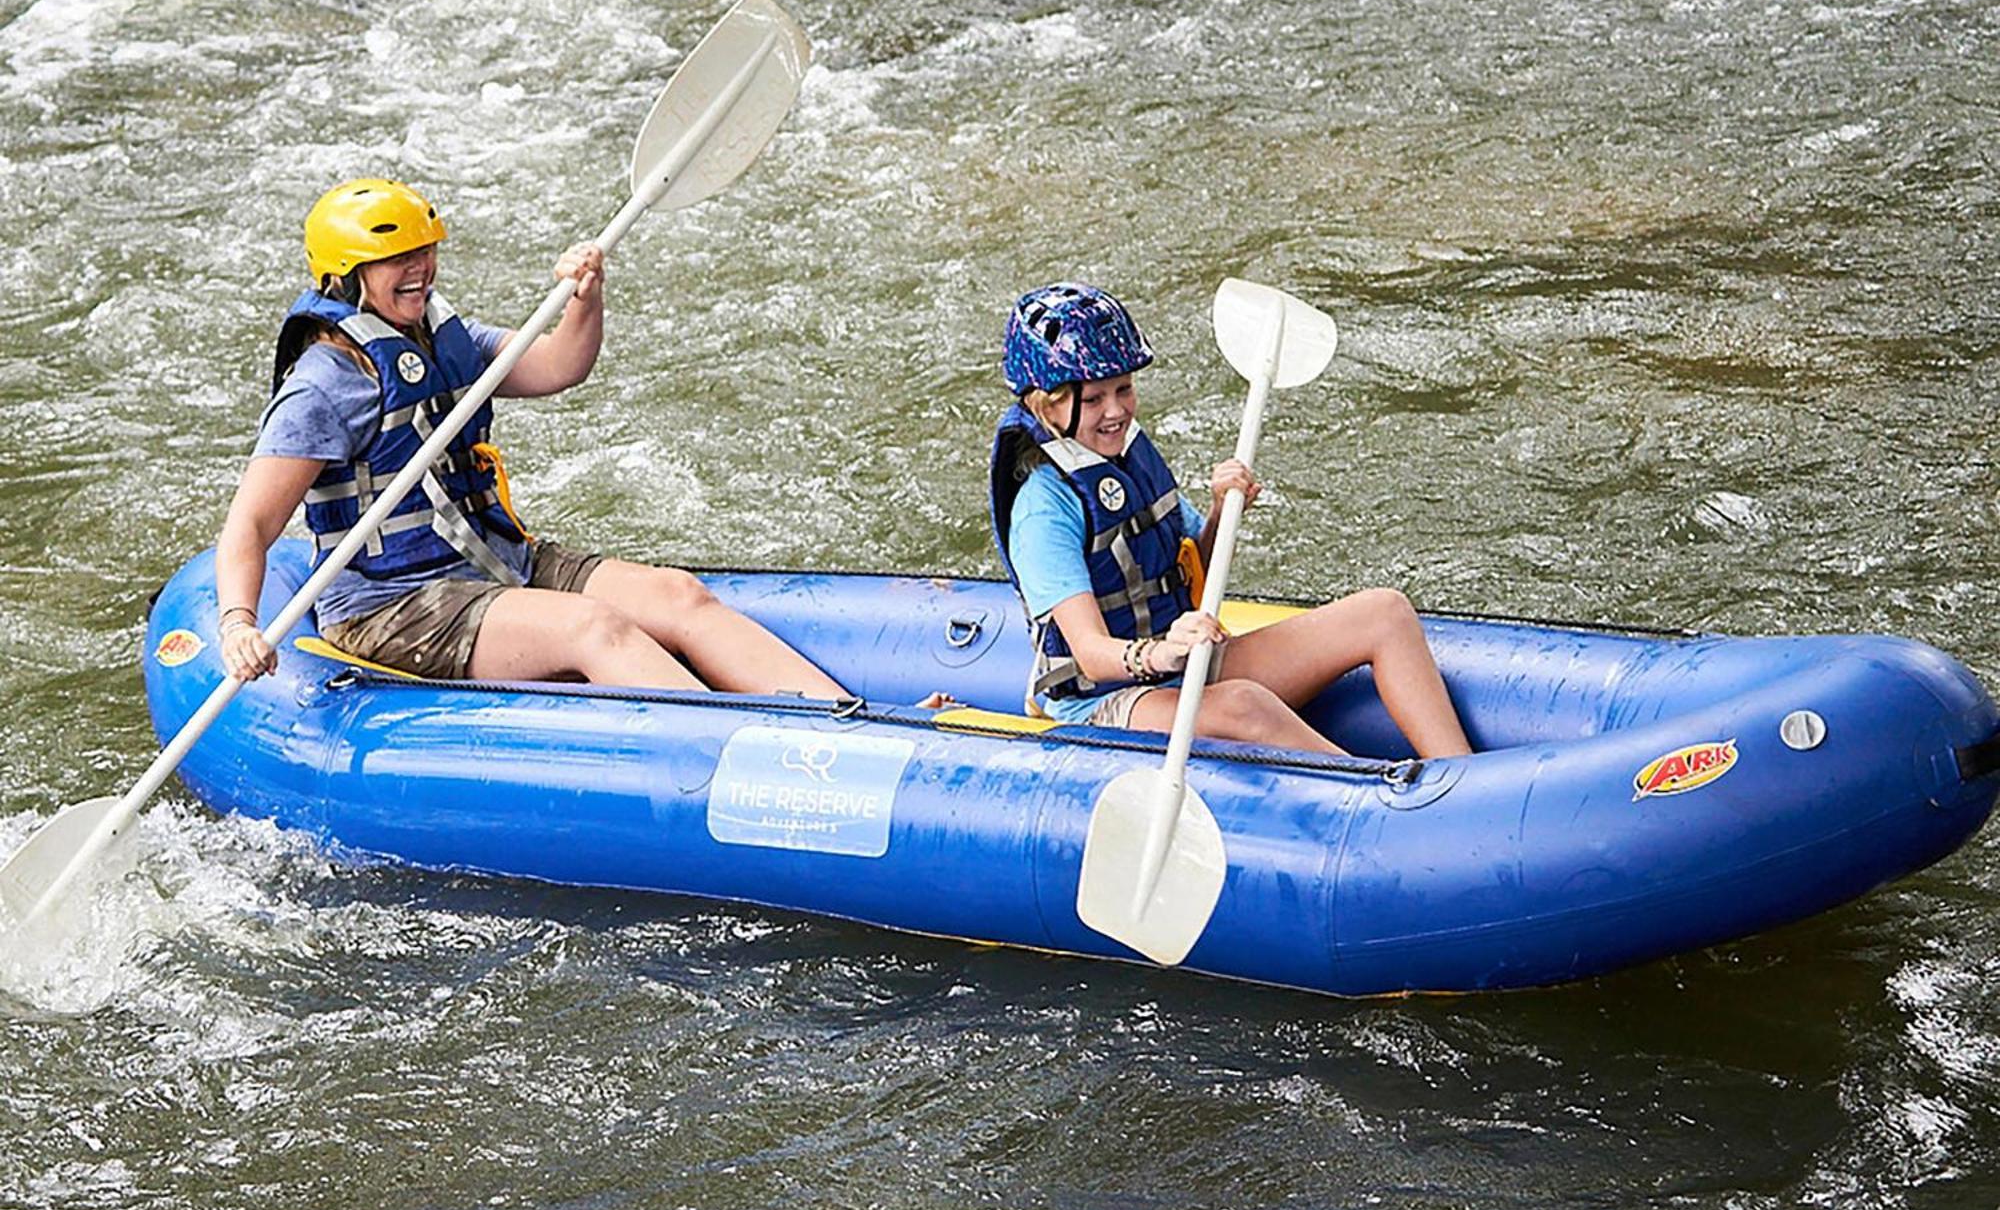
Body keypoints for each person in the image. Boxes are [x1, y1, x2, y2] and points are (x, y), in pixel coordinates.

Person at [214, 176, 850, 698]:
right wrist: (239, 624)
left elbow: (557, 366)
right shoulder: (323, 386)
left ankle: (840, 714)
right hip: (391, 607)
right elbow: (250, 526)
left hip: (493, 561)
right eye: (396, 261)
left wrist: (585, 299)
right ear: (347, 277)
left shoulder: (439, 340)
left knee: (677, 594)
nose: (420, 270)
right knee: (593, 626)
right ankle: (745, 748)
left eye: (425, 252)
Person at [988, 283, 1473, 759]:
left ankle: (1458, 778)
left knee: (1383, 612)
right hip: (1103, 702)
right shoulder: (1043, 510)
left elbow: (1193, 565)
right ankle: (1387, 806)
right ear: (1047, 403)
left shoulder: (1122, 460)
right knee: (1246, 705)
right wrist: (1162, 654)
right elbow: (1092, 654)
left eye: (1124, 389)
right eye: (1093, 399)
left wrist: (1222, 509)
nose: (1116, 411)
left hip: (1182, 663)